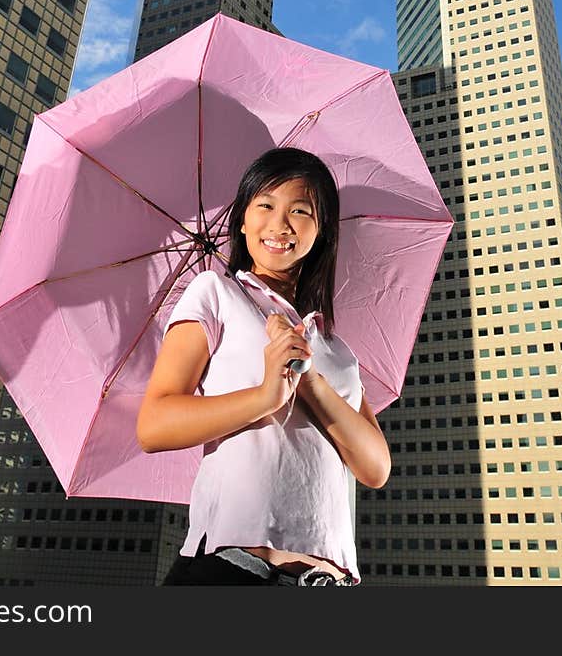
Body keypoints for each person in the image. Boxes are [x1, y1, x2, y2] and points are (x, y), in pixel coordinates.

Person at [136, 146, 391, 586]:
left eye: (301, 211)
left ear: (322, 230)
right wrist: (266, 396)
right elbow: (154, 425)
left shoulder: (335, 347)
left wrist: (308, 380)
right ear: (242, 218)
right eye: (265, 205)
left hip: (328, 581)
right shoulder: (215, 292)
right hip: (234, 571)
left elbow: (375, 468)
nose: (279, 225)